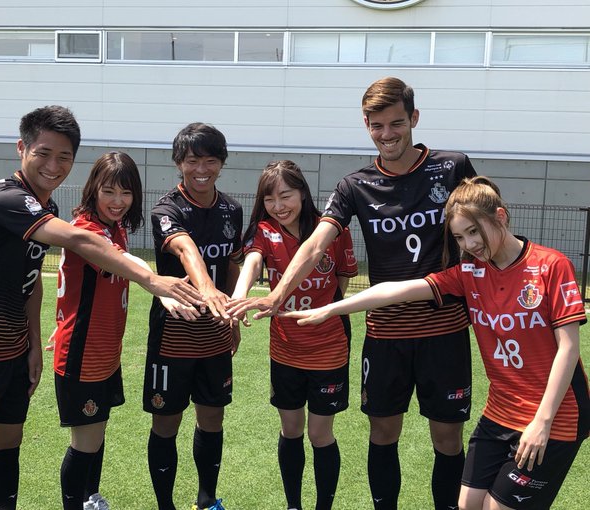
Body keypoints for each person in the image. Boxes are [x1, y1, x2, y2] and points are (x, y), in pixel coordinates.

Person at [0, 106, 201, 510]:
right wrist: (152, 280)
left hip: (11, 349)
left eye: (64, 157)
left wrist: (31, 343)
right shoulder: (5, 198)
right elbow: (80, 240)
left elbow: (31, 282)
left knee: (6, 446)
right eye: (43, 153)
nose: (53, 166)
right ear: (22, 148)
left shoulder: (48, 209)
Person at [228, 76, 477, 509]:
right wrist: (275, 295)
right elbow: (315, 245)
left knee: (447, 437)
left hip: (444, 329)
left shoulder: (452, 167)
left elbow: (485, 226)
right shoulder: (354, 185)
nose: (387, 134)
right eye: (376, 125)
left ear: (414, 118)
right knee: (383, 433)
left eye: (396, 123)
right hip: (385, 334)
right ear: (366, 125)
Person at [284, 176, 590, 510]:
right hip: (501, 412)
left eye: (474, 231)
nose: (469, 244)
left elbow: (568, 349)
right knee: (468, 504)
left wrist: (542, 423)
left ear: (500, 217)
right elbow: (396, 290)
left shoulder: (550, 265)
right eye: (459, 237)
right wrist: (332, 308)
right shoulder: (469, 273)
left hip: (557, 415)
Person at [50, 151, 198, 510]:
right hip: (82, 352)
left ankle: (91, 498)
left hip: (105, 352)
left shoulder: (113, 227)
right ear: (93, 189)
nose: (118, 201)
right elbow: (123, 260)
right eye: (109, 191)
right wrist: (157, 285)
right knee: (84, 442)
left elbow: (115, 260)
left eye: (126, 192)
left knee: (97, 431)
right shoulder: (86, 230)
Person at [230, 160, 358, 509]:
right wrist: (238, 299)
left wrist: (321, 307)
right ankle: (293, 505)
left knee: (319, 433)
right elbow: (252, 262)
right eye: (269, 199)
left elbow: (341, 280)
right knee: (291, 429)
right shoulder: (264, 231)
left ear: (302, 192)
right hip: (285, 349)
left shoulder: (332, 230)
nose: (278, 206)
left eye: (285, 195)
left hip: (329, 347)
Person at [143, 122, 243, 510]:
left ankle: (207, 500)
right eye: (192, 161)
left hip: (215, 333)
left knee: (212, 418)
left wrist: (229, 312)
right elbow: (186, 250)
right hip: (173, 334)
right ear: (178, 163)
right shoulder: (167, 209)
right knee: (166, 422)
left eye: (210, 160)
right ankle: (164, 505)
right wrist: (207, 290)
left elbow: (233, 263)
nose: (202, 169)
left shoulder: (232, 209)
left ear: (222, 162)